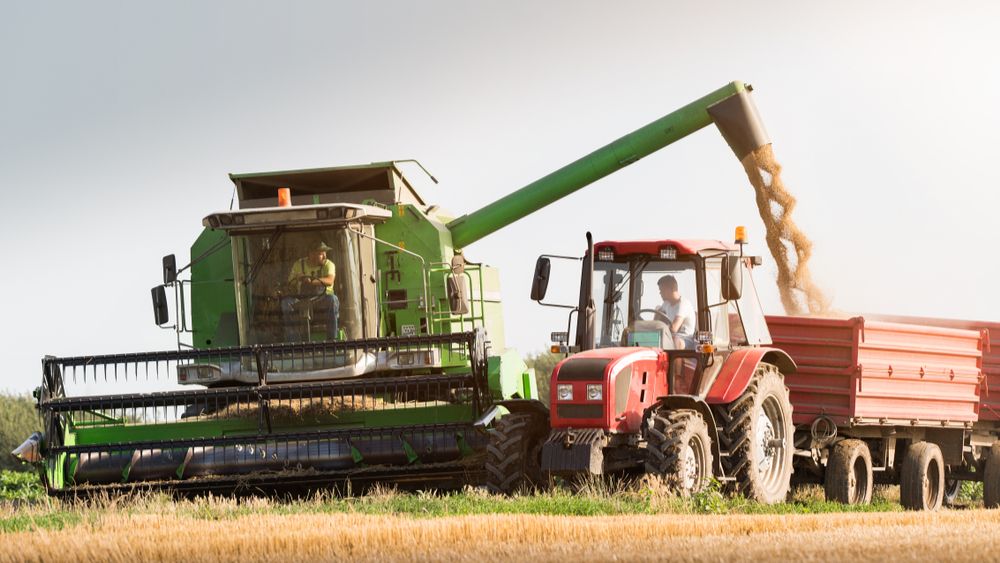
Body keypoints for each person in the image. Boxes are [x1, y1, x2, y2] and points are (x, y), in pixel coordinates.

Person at [281, 241, 339, 341]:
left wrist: (311, 281)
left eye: (324, 253)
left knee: (333, 300)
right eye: (320, 253)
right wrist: (297, 279)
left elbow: (330, 280)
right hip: (302, 301)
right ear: (311, 254)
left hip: (322, 301)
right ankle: (294, 341)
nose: (324, 255)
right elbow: (290, 284)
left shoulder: (329, 265)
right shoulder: (298, 265)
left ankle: (332, 340)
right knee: (286, 303)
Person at [654, 275, 696, 349]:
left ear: (672, 289)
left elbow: (674, 328)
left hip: (685, 340)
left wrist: (659, 329)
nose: (660, 293)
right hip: (670, 337)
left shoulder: (683, 304)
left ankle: (675, 360)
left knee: (675, 341)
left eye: (662, 290)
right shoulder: (666, 304)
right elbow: (656, 320)